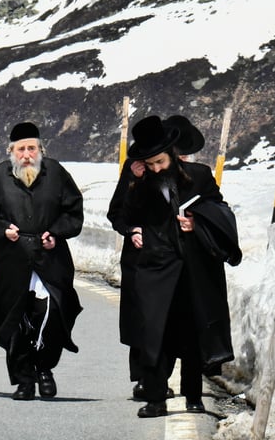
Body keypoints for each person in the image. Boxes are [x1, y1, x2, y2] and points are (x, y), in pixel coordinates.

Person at [119, 114, 242, 419]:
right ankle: (156, 398)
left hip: (194, 266)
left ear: (172, 154)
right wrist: (133, 198)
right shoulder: (139, 181)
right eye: (151, 164)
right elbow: (121, 214)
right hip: (155, 266)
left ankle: (193, 396)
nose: (157, 169)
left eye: (160, 162)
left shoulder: (199, 175)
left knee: (191, 331)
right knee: (154, 332)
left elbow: (219, 208)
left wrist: (197, 221)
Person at [0, 121, 84, 401]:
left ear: (40, 149)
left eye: (31, 148)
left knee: (53, 315)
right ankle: (24, 380)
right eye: (20, 149)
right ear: (11, 151)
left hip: (50, 258)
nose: (26, 154)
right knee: (17, 321)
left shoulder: (56, 173)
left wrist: (56, 233)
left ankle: (44, 368)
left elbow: (74, 212)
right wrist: (1, 229)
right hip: (11, 260)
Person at [106, 114, 204, 401]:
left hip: (172, 258)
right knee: (143, 319)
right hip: (140, 257)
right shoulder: (135, 171)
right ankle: (144, 379)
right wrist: (130, 228)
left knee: (169, 320)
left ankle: (159, 379)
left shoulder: (184, 174)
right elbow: (117, 213)